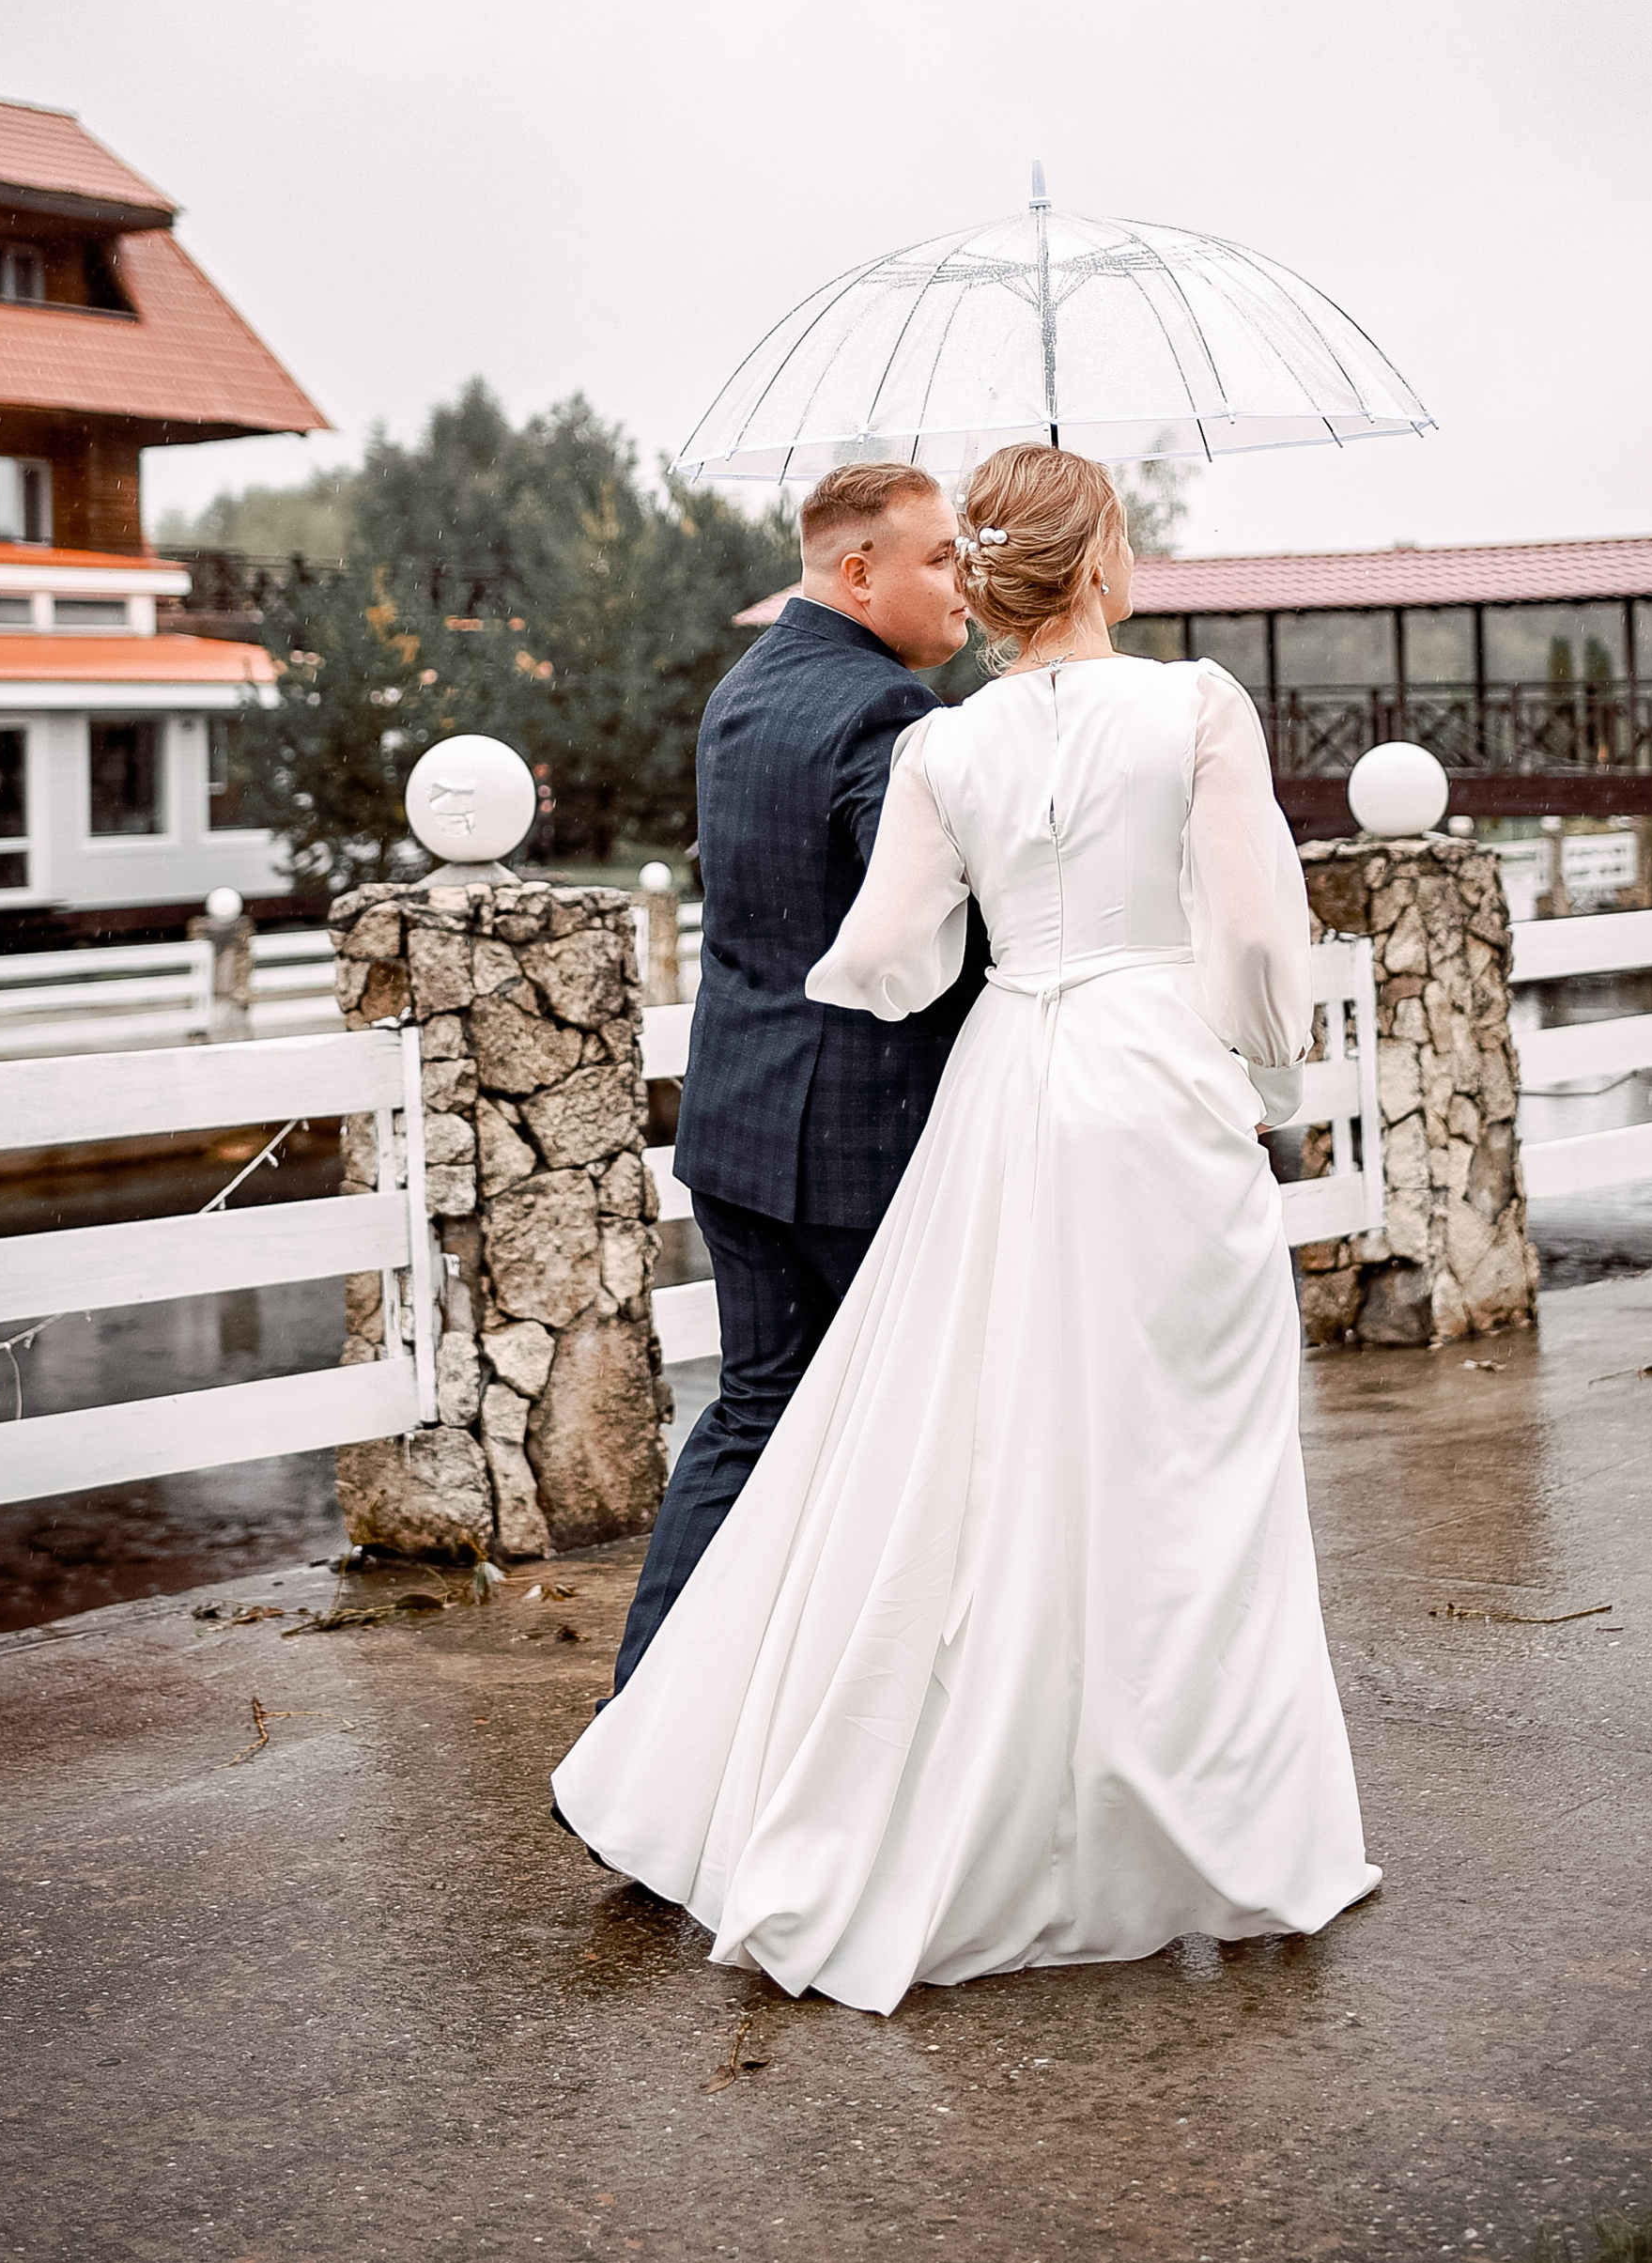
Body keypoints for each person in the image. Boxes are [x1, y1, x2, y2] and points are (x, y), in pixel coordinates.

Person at [553, 440, 1380, 2014]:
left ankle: (743, 1755)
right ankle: (1209, 1810)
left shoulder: (922, 738)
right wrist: (1261, 1068)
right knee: (1183, 1454)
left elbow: (884, 956)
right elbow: (1265, 933)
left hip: (982, 1085)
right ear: (1103, 563)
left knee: (935, 1446)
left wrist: (1009, 956)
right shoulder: (1195, 707)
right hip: (1147, 1078)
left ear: (993, 575)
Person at [610, 458, 982, 1693]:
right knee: (919, 1436)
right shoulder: (890, 716)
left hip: (737, 1124)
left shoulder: (742, 693)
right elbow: (918, 927)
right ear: (859, 568)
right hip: (861, 1146)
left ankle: (645, 1716)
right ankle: (869, 1731)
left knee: (751, 1416)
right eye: (941, 558)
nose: (966, 585)